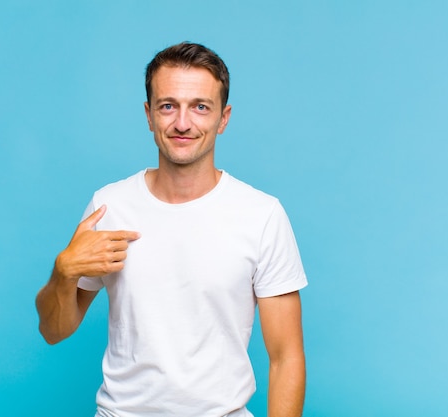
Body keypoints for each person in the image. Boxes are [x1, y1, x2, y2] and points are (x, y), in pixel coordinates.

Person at [36, 42, 308, 417]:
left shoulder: (261, 215)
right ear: (149, 115)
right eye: (168, 106)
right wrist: (62, 272)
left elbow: (286, 357)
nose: (183, 123)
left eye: (200, 107)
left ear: (223, 118)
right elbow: (53, 331)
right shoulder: (109, 206)